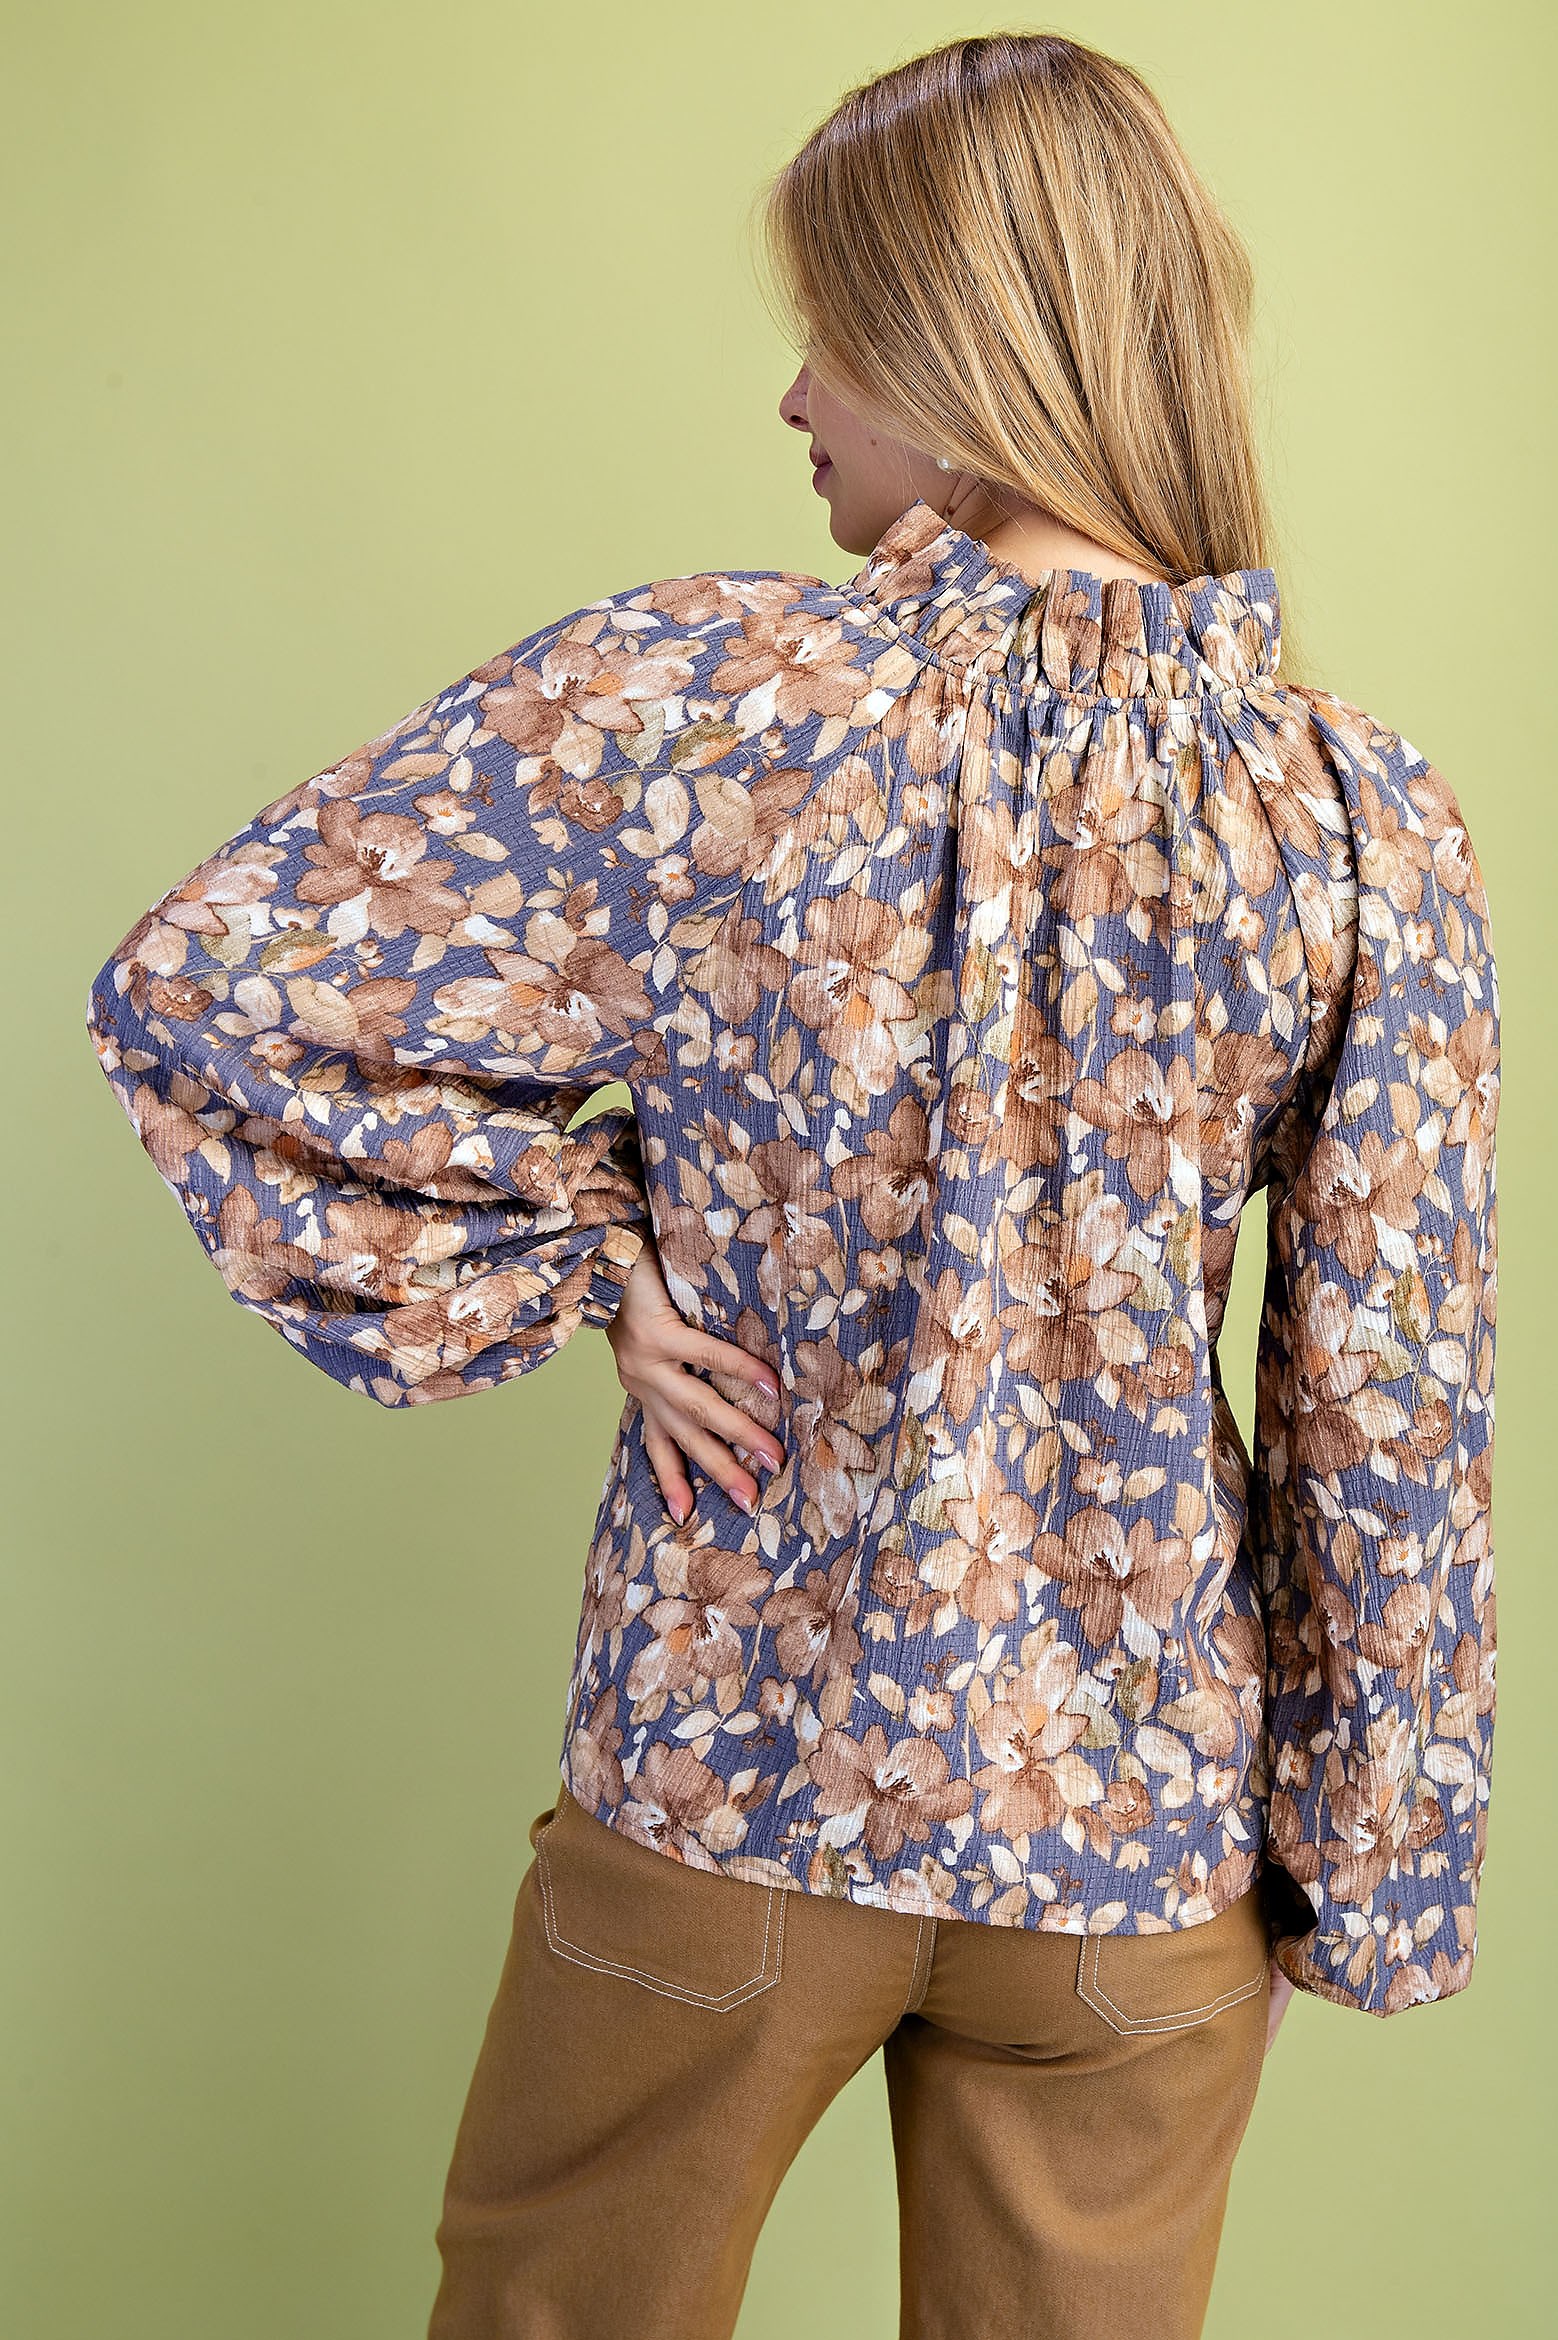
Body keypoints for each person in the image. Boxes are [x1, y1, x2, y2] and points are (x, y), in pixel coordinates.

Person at [82, 29, 1499, 2340]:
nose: (793, 397)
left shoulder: (701, 698)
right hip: (1137, 1846)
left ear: (959, 351)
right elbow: (1385, 1401)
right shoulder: (1355, 815)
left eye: (831, 331)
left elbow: (223, 989)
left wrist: (582, 1254)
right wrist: (1365, 1874)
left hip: (728, 1768)